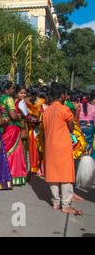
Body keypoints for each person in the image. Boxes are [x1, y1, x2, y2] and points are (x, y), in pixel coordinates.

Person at [42, 86, 82, 215]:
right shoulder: (64, 109)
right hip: (62, 145)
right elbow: (71, 128)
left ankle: (56, 202)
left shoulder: (46, 111)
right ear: (63, 96)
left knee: (53, 174)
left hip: (50, 145)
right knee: (66, 175)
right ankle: (65, 205)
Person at [0, 81, 27, 186]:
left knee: (3, 149)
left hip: (3, 126)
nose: (13, 91)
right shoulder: (8, 99)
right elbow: (13, 116)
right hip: (12, 127)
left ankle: (1, 174)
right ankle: (11, 176)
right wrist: (19, 116)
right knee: (14, 150)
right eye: (12, 88)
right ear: (7, 90)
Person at [79, 94, 94, 159]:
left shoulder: (78, 106)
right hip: (90, 125)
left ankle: (81, 157)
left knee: (80, 143)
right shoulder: (93, 107)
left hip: (80, 125)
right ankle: (87, 159)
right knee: (89, 143)